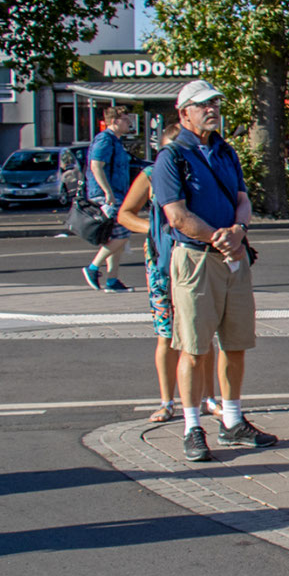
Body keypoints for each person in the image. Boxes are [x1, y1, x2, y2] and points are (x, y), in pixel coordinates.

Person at [151, 80, 273, 462]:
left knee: (235, 342)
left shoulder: (225, 151)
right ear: (183, 112)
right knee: (193, 347)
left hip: (232, 256)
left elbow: (242, 198)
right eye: (203, 104)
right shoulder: (171, 157)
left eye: (215, 103)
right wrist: (218, 238)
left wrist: (239, 230)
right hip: (195, 258)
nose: (213, 109)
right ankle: (191, 426)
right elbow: (176, 214)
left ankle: (232, 420)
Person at [114, 124, 210, 423]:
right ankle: (168, 401)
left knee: (203, 332)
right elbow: (126, 213)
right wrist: (153, 230)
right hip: (162, 260)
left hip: (197, 257)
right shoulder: (151, 174)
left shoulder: (200, 170)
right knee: (166, 334)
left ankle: (208, 399)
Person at [83, 107, 135, 292]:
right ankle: (93, 267)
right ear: (114, 121)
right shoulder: (105, 140)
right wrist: (108, 192)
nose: (129, 122)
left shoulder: (116, 141)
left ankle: (112, 280)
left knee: (115, 237)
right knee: (123, 234)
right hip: (108, 196)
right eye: (125, 118)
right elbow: (96, 165)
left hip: (117, 193)